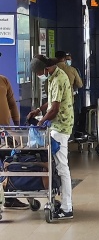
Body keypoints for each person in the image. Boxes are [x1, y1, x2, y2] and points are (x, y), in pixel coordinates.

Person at [28, 55, 74, 220]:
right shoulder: (54, 76)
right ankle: (62, 203)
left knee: (62, 168)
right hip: (57, 126)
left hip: (61, 127)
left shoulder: (59, 78)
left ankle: (67, 208)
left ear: (45, 69)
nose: (39, 76)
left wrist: (42, 122)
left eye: (39, 73)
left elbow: (54, 109)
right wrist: (39, 111)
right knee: (57, 166)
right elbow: (51, 102)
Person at [0, 71, 25, 210]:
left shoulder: (4, 80)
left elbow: (12, 104)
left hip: (4, 133)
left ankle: (11, 198)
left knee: (10, 164)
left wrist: (17, 127)